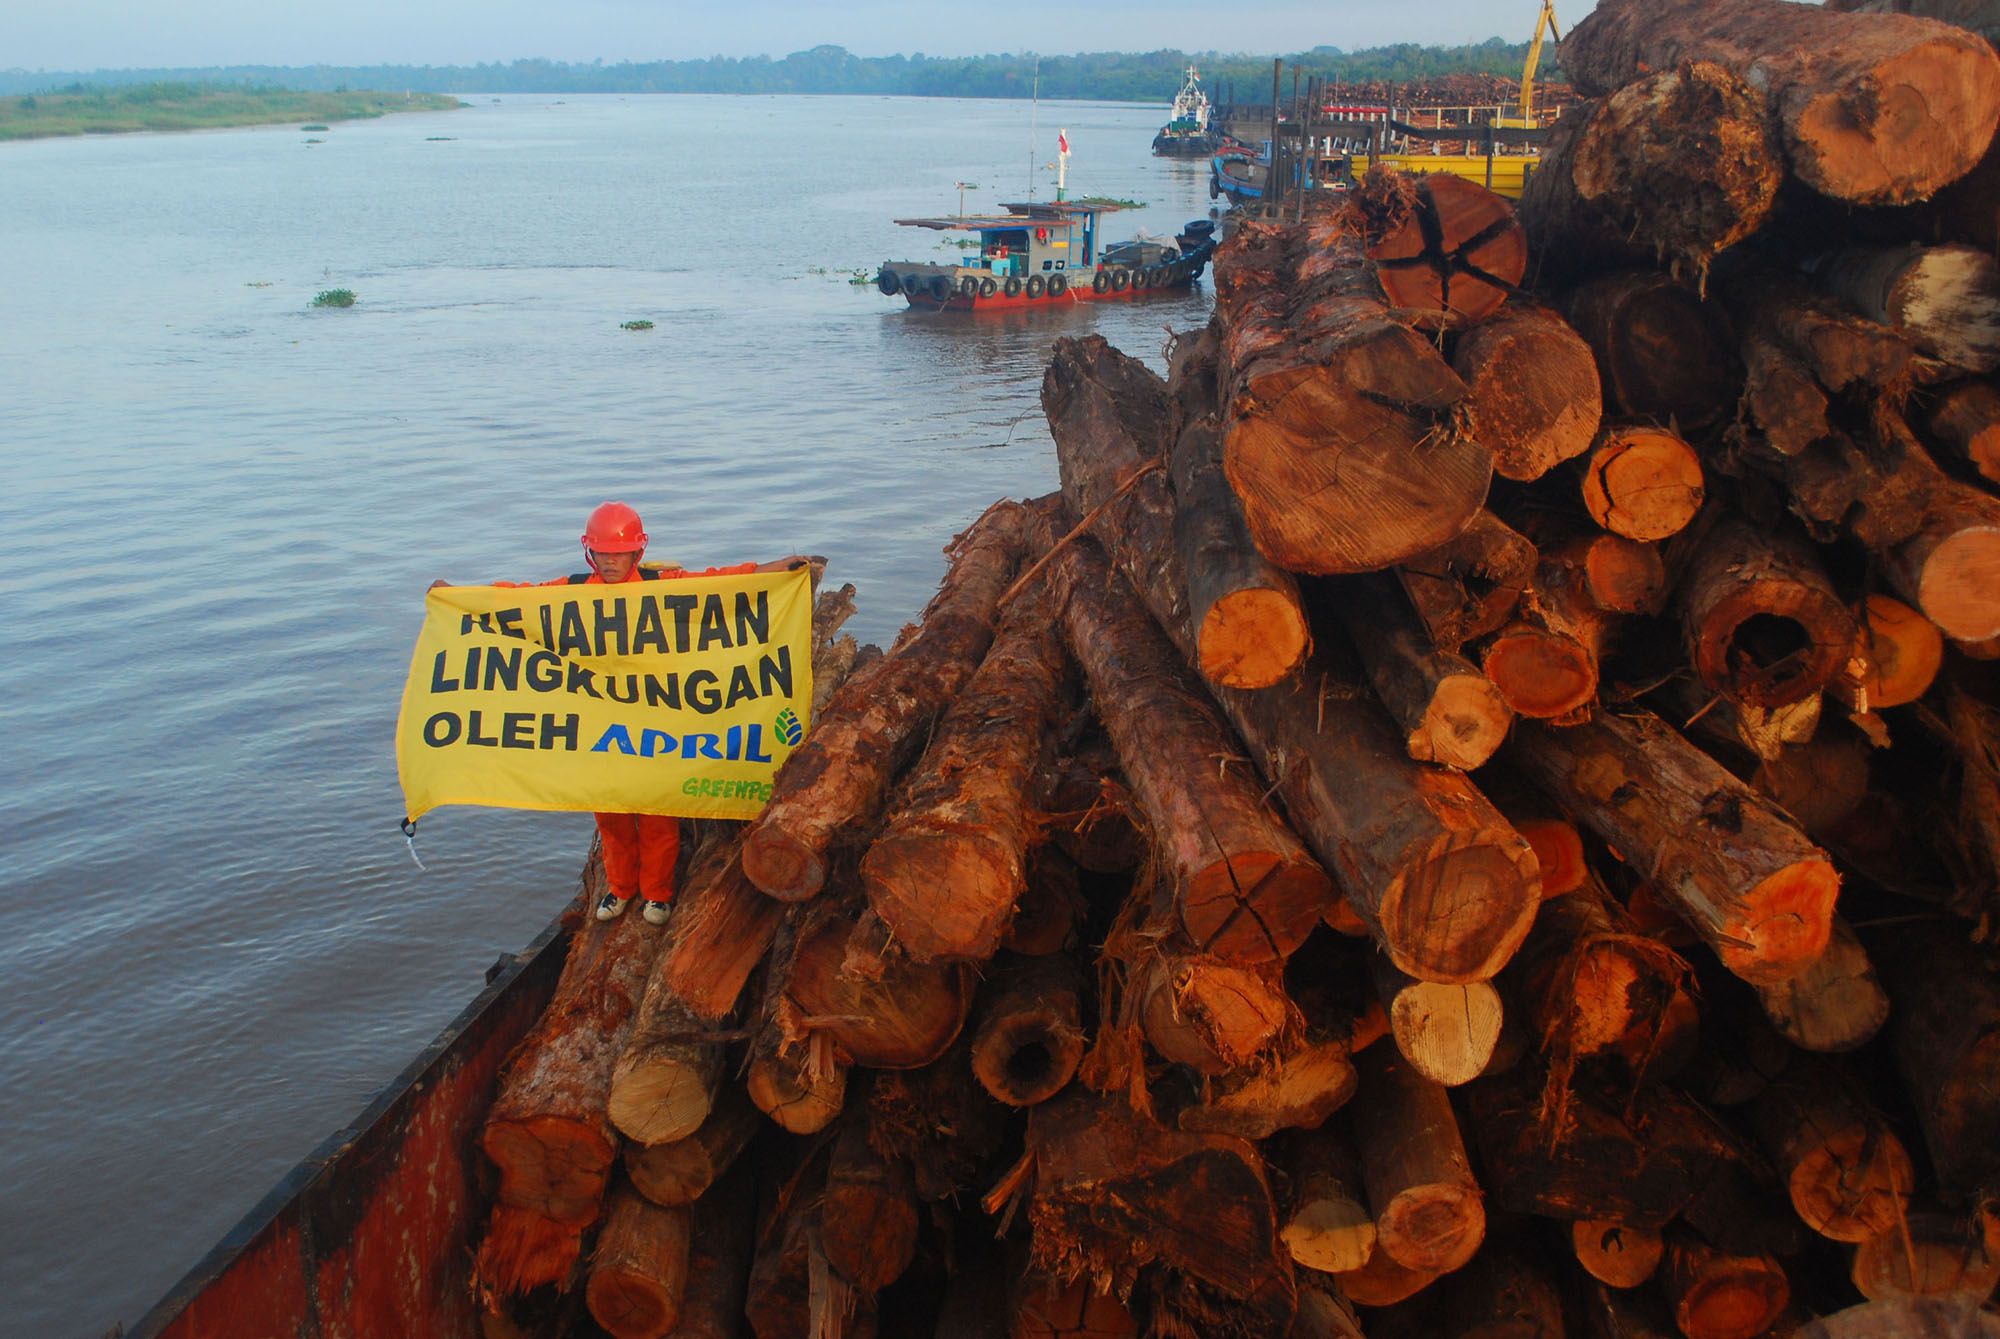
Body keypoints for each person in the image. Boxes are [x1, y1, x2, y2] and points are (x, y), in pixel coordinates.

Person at [436, 500, 802, 927]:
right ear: (589, 551)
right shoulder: (573, 591)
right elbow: (517, 600)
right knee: (610, 813)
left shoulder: (663, 586)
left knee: (657, 811)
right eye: (602, 553)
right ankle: (620, 888)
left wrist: (778, 567)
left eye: (618, 553)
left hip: (653, 719)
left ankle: (659, 895)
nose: (610, 561)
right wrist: (456, 596)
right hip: (599, 724)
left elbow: (719, 582)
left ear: (637, 553)